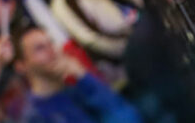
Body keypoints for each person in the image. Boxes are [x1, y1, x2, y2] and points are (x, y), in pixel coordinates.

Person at [12, 24, 141, 122]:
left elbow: (129, 117)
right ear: (21, 66)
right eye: (39, 48)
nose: (52, 51)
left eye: (51, 43)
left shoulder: (77, 88)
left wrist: (82, 76)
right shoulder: (34, 115)